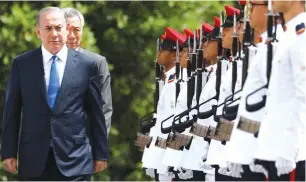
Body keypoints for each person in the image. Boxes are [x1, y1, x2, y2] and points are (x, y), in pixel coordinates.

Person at [1, 7, 109, 181]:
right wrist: (8, 152)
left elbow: (96, 112)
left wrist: (101, 152)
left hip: (76, 159)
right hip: (33, 159)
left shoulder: (87, 65)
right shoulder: (21, 64)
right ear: (38, 32)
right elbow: (11, 111)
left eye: (58, 28)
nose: (54, 34)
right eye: (48, 28)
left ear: (66, 29)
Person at [254, 0, 306, 180]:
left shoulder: (301, 34)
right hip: (275, 149)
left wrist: (290, 147)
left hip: (292, 153)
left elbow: (303, 97)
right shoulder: (288, 35)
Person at [62, 7, 113, 135]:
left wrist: (97, 149)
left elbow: (105, 110)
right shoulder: (45, 61)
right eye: (67, 30)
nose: (72, 36)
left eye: (76, 30)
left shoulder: (96, 63)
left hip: (84, 146)